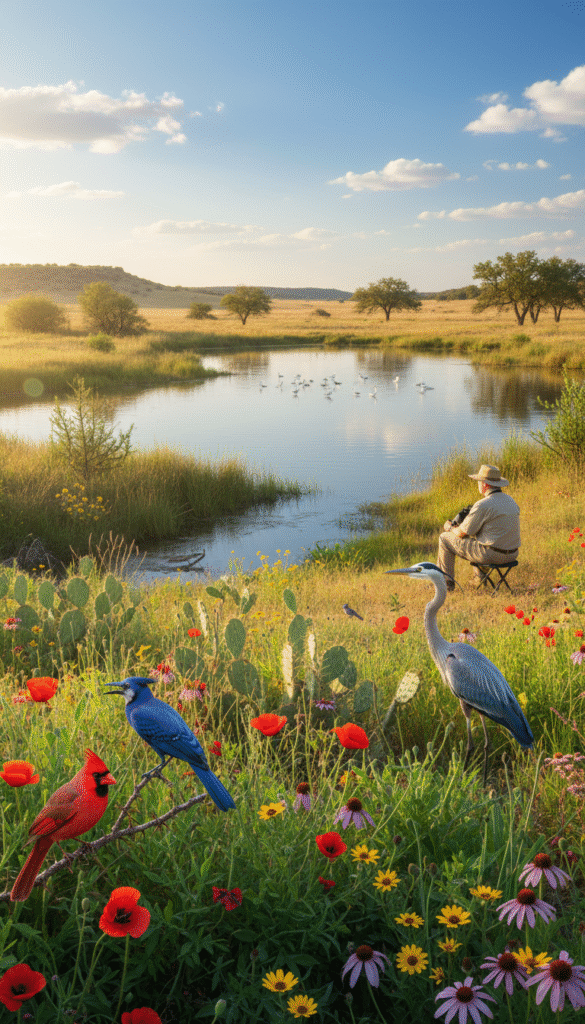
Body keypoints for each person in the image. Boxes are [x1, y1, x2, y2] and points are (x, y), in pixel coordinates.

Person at [438, 464, 520, 591]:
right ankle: (479, 578)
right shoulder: (510, 500)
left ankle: (445, 584)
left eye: (479, 482)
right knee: (481, 540)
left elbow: (461, 533)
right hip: (512, 554)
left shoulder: (483, 504)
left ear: (485, 485)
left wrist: (450, 527)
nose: (478, 484)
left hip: (492, 555)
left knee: (444, 538)